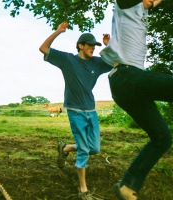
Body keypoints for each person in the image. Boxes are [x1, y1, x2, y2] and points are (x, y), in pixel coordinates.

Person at [100, 0, 173, 199]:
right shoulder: (126, 5)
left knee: (162, 139)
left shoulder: (139, 12)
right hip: (127, 76)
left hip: (125, 85)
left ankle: (127, 186)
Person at [39, 22, 112, 200]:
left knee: (94, 148)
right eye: (90, 45)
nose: (93, 49)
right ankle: (83, 190)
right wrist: (59, 31)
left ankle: (65, 148)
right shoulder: (68, 60)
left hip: (91, 110)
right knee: (84, 151)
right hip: (75, 111)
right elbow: (43, 48)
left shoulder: (97, 63)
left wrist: (108, 46)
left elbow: (116, 61)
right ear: (81, 45)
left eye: (95, 46)